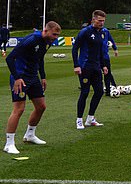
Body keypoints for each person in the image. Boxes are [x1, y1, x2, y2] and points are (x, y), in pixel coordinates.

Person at [3, 22, 61, 154]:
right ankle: (9, 143)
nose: (55, 37)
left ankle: (30, 135)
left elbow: (39, 59)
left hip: (33, 77)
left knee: (41, 107)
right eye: (54, 34)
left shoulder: (48, 42)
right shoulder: (31, 40)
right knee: (19, 109)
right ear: (45, 30)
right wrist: (17, 78)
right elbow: (10, 58)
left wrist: (43, 77)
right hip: (21, 77)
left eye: (57, 35)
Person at [73, 10, 108, 129]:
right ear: (93, 20)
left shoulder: (102, 33)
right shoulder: (85, 32)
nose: (101, 23)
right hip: (85, 67)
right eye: (99, 20)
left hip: (96, 67)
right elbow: (75, 48)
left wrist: (103, 65)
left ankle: (90, 118)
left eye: (103, 21)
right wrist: (76, 65)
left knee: (99, 91)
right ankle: (79, 120)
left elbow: (100, 51)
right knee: (85, 92)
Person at [102, 27, 119, 96]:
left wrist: (115, 49)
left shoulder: (105, 31)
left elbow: (111, 39)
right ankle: (85, 85)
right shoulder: (90, 31)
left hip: (105, 56)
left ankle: (109, 89)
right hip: (95, 56)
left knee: (107, 72)